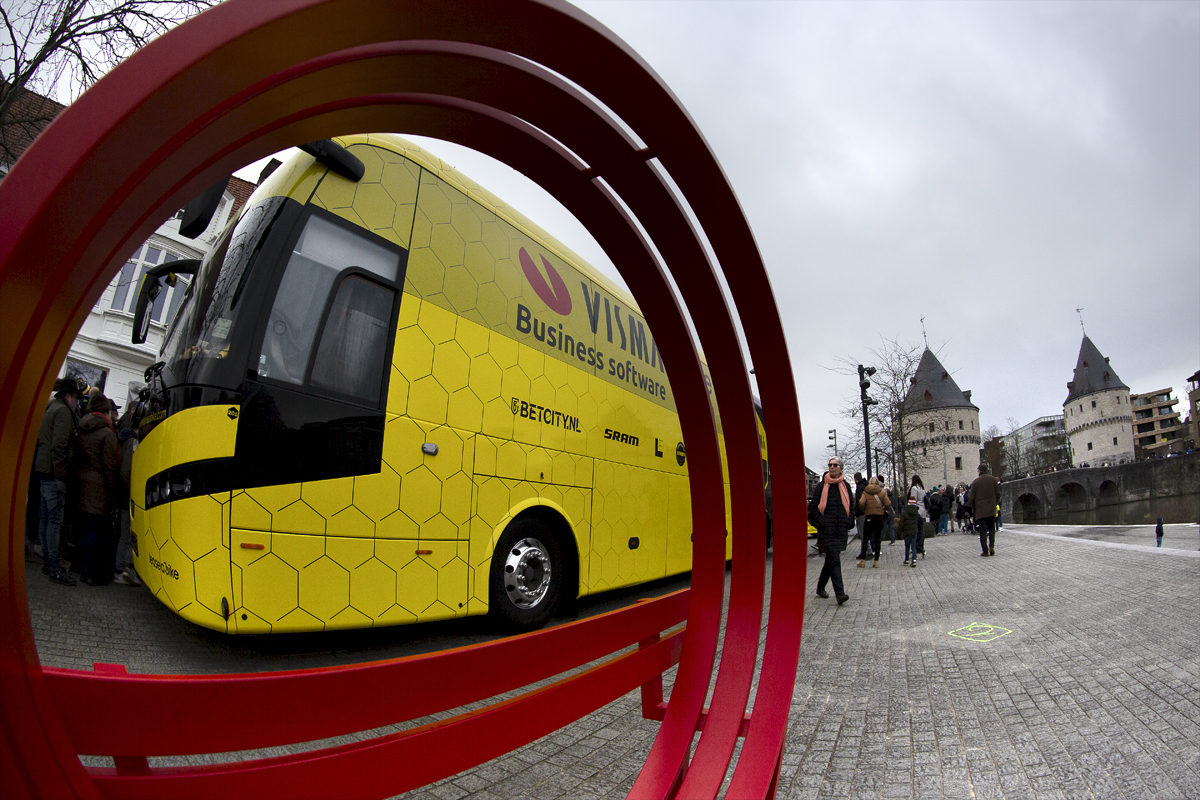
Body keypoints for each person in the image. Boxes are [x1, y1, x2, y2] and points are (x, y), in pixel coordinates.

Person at [32, 378, 82, 586]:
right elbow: (60, 445)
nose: (77, 403)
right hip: (54, 473)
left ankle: (47, 562)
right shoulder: (62, 412)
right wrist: (61, 474)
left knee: (45, 518)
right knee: (54, 521)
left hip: (44, 469)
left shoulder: (52, 407)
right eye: (76, 398)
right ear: (69, 396)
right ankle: (54, 566)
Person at [75, 394, 121, 586]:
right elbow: (110, 467)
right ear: (106, 412)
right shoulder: (106, 433)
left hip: (82, 483)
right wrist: (112, 495)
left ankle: (80, 568)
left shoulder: (83, 428)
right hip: (98, 488)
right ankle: (91, 573)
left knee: (84, 528)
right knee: (96, 531)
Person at [809, 457, 853, 604]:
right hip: (826, 531)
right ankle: (840, 594)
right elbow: (812, 510)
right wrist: (822, 523)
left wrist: (849, 522)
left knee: (831, 560)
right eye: (830, 465)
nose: (832, 467)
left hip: (840, 530)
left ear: (841, 468)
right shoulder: (822, 487)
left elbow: (851, 507)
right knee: (835, 559)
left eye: (835, 465)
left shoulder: (846, 486)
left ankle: (820, 587)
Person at [968, 462, 1002, 557]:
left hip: (981, 510)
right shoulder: (993, 480)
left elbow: (972, 498)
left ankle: (985, 550)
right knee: (992, 529)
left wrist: (975, 508)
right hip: (991, 509)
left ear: (979, 471)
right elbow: (998, 494)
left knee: (982, 530)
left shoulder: (975, 482)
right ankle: (992, 546)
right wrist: (994, 503)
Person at [857, 476, 891, 568]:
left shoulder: (865, 492)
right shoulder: (882, 493)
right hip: (879, 517)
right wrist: (883, 509)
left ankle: (863, 560)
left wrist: (864, 509)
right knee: (877, 539)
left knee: (865, 539)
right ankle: (876, 561)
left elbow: (861, 502)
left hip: (869, 517)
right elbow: (888, 503)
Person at [897, 495, 920, 567]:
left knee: (907, 546)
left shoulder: (905, 512)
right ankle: (914, 560)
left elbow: (901, 524)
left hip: (907, 531)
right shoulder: (916, 512)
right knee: (913, 545)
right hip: (914, 531)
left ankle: (906, 559)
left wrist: (898, 532)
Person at [909, 475, 927, 558]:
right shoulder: (922, 489)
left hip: (917, 511)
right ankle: (921, 546)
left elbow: (912, 501)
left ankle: (915, 547)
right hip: (923, 511)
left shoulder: (914, 489)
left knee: (915, 530)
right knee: (921, 530)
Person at [853, 472, 868, 559]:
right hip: (868, 512)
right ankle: (867, 551)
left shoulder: (859, 488)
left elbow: (859, 502)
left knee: (862, 534)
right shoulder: (866, 486)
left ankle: (866, 552)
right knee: (866, 533)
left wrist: (856, 513)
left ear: (855, 479)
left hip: (862, 513)